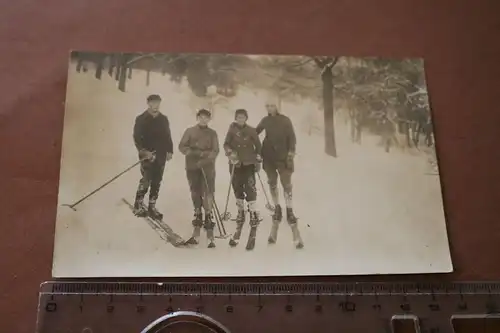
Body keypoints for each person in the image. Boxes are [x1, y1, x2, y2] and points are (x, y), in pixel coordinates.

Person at [178, 109, 219, 247]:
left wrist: (205, 158)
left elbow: (215, 151)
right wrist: (193, 153)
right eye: (201, 117)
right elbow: (182, 146)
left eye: (206, 118)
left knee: (208, 191)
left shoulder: (212, 134)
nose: (203, 120)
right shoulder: (190, 131)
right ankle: (197, 212)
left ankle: (208, 214)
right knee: (195, 191)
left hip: (207, 168)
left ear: (209, 119)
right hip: (192, 166)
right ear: (197, 118)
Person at [223, 109, 263, 246]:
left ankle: (253, 212)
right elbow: (226, 144)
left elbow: (258, 145)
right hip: (235, 163)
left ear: (246, 118)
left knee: (250, 188)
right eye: (238, 117)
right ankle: (241, 211)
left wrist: (258, 157)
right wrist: (230, 152)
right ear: (235, 118)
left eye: (243, 117)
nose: (241, 119)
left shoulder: (251, 130)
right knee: (237, 187)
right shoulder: (231, 130)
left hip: (248, 163)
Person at [256, 97, 297, 225]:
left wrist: (291, 153)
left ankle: (289, 210)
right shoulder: (265, 120)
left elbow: (292, 137)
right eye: (267, 106)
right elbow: (254, 133)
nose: (270, 108)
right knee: (272, 183)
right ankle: (277, 208)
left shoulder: (285, 120)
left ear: (277, 106)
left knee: (286, 185)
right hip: (268, 157)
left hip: (283, 157)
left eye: (272, 105)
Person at [132, 94, 173, 220]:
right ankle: (138, 204)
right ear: (148, 103)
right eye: (153, 103)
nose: (155, 106)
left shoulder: (163, 119)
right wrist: (144, 152)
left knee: (157, 181)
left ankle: (152, 206)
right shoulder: (141, 119)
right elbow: (137, 138)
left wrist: (169, 151)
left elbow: (167, 136)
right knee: (146, 179)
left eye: (158, 103)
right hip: (147, 156)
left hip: (160, 155)